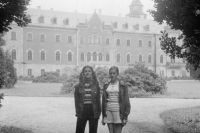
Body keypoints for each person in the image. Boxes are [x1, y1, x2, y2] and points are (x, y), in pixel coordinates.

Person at [102, 66, 131, 133]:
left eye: (114, 73)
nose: (112, 75)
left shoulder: (123, 85)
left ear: (117, 74)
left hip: (118, 111)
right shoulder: (106, 85)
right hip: (108, 111)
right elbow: (103, 101)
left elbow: (126, 101)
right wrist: (103, 116)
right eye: (110, 73)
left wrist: (125, 117)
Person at [74, 65, 101, 133]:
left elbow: (98, 101)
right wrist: (78, 112)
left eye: (89, 71)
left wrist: (98, 113)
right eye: (85, 71)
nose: (87, 72)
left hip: (93, 110)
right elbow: (76, 101)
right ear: (83, 73)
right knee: (79, 131)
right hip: (82, 110)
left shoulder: (96, 86)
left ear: (92, 73)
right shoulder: (78, 86)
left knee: (93, 131)